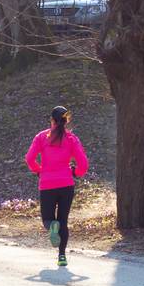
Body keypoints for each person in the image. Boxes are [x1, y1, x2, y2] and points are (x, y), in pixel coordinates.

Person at [23, 105, 89, 267]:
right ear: (66, 121)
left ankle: (52, 227)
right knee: (63, 221)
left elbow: (29, 158)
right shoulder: (72, 139)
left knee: (48, 220)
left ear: (52, 120)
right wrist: (76, 172)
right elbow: (84, 164)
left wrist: (38, 171)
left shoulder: (41, 137)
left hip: (47, 184)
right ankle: (62, 256)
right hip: (66, 184)